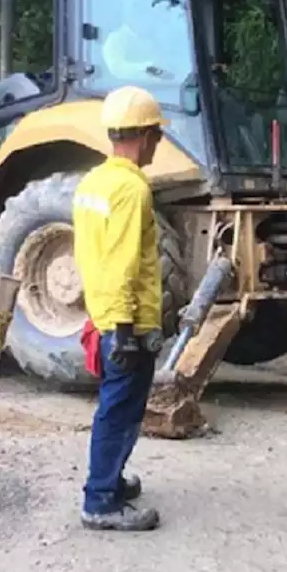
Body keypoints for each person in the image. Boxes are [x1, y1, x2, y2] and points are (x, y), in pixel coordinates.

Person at [71, 85, 168, 531]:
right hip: (125, 321)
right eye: (157, 135)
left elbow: (96, 257)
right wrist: (127, 331)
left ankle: (110, 479)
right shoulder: (131, 190)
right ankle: (100, 499)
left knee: (120, 406)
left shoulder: (92, 183)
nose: (159, 144)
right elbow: (125, 262)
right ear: (145, 136)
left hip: (104, 314)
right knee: (120, 409)